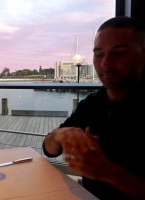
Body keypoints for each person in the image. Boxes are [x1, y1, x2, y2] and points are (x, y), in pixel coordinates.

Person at [43, 16, 145, 200]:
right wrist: (59, 134)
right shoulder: (92, 103)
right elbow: (49, 148)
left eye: (119, 52)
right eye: (99, 54)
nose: (106, 63)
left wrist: (108, 172)